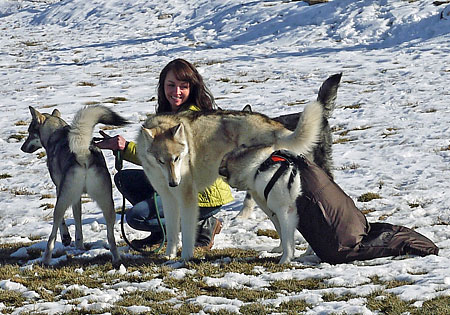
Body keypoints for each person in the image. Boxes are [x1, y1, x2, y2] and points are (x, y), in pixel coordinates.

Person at [95, 58, 234, 250]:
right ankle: (160, 232)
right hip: (177, 182)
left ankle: (203, 223)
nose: (176, 92)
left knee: (136, 217)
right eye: (171, 85)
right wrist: (124, 147)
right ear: (163, 86)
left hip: (203, 194)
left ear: (191, 88)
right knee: (124, 179)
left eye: (183, 86)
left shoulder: (192, 120)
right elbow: (161, 156)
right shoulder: (168, 114)